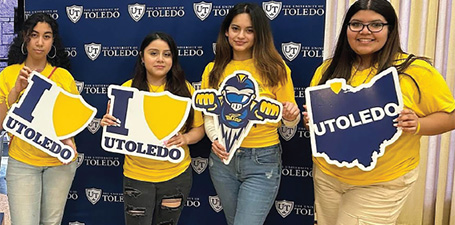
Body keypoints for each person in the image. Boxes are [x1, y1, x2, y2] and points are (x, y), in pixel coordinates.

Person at [303, 0, 455, 224]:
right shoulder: (328, 69)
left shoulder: (415, 71)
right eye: (356, 24)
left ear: (390, 29)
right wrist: (313, 120)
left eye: (375, 25)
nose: (364, 32)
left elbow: (450, 116)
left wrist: (418, 124)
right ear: (346, 29)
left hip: (382, 181)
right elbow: (320, 124)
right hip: (328, 176)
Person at [200, 3, 300, 225]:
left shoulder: (276, 68)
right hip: (222, 161)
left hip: (262, 160)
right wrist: (216, 138)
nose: (241, 35)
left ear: (260, 33)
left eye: (250, 30)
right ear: (226, 31)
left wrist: (291, 116)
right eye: (235, 28)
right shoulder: (213, 69)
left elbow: (289, 123)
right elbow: (210, 115)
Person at [100, 32, 205, 225]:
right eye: (153, 53)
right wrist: (108, 123)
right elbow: (116, 132)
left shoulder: (185, 90)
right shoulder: (127, 90)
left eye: (167, 54)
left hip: (176, 176)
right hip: (136, 176)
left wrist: (186, 139)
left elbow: (199, 128)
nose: (160, 59)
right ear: (142, 57)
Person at [0, 12, 79, 224]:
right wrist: (16, 92)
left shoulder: (63, 77)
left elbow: (74, 120)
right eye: (34, 35)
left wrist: (69, 143)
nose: (40, 42)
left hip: (59, 163)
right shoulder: (8, 75)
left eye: (46, 36)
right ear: (25, 38)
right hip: (22, 162)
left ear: (53, 41)